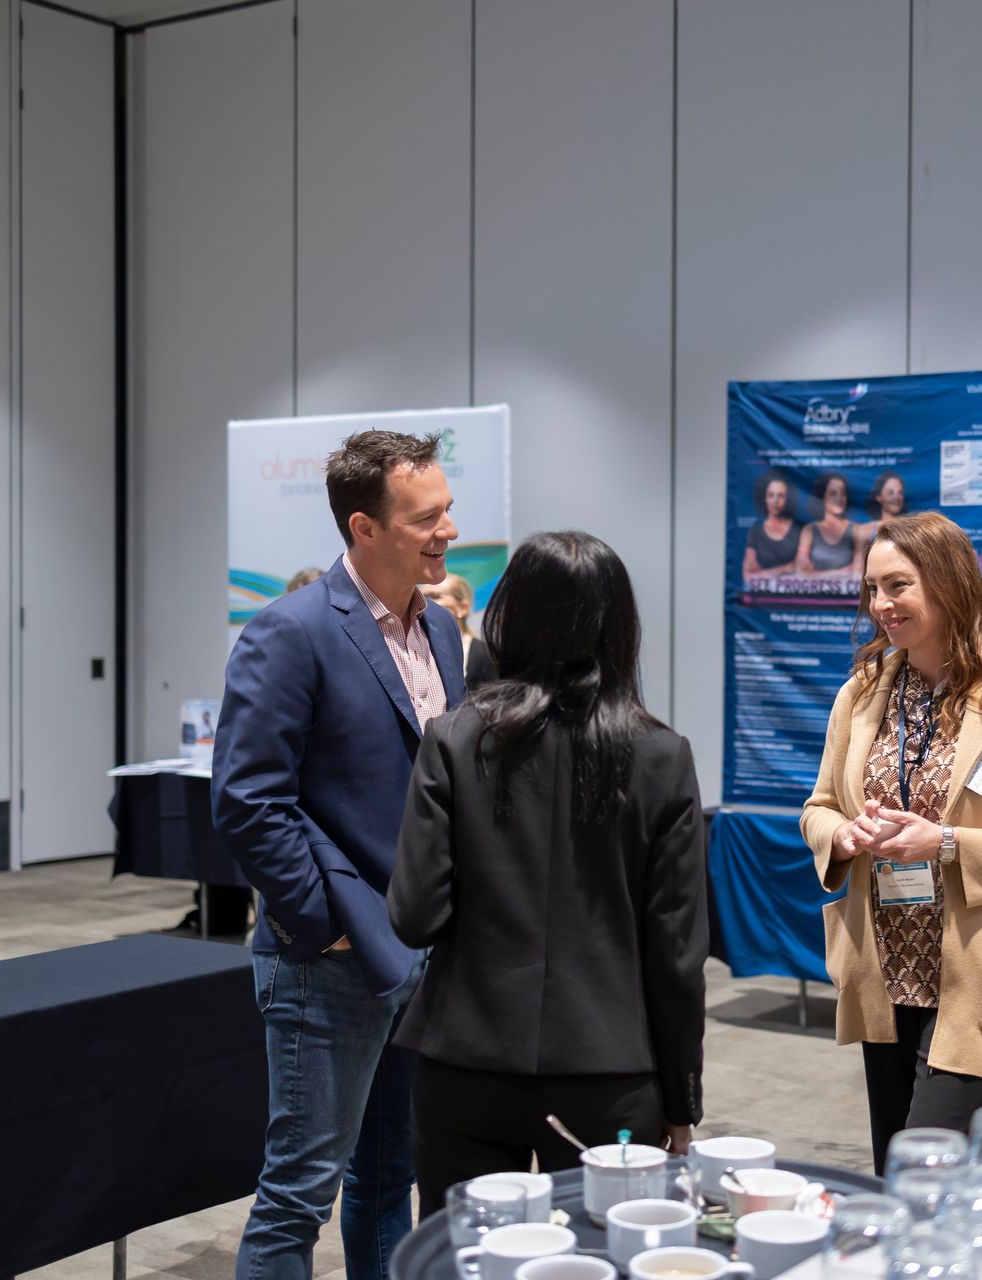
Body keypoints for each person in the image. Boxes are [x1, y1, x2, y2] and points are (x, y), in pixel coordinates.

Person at [213, 430, 467, 1280]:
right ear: (365, 527)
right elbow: (248, 801)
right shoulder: (290, 631)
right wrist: (326, 927)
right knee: (298, 1194)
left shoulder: (442, 635)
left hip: (419, 953)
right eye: (426, 518)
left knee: (390, 1175)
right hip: (330, 962)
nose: (447, 531)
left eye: (448, 511)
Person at [389, 531, 706, 1210]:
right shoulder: (663, 757)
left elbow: (414, 916)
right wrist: (682, 1098)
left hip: (464, 1056)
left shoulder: (451, 740)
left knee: (464, 1260)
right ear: (620, 625)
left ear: (509, 617)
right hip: (612, 1067)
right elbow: (676, 955)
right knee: (603, 1253)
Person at [799, 512, 982, 1170]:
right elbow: (817, 807)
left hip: (977, 980)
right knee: (891, 1169)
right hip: (886, 973)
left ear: (948, 582)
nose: (881, 605)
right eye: (872, 589)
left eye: (897, 586)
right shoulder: (862, 695)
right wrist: (842, 836)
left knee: (924, 1176)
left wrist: (950, 842)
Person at [420, 572, 495, 687]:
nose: (424, 603)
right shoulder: (411, 650)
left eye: (434, 596)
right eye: (421, 597)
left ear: (462, 607)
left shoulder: (485, 654)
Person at [794, 471, 863, 578]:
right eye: (833, 493)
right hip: (814, 594)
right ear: (822, 498)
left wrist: (816, 575)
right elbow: (801, 573)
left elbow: (858, 573)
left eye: (842, 493)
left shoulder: (856, 529)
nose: (839, 498)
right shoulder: (809, 530)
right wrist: (841, 572)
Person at [743, 469, 801, 580]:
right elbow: (748, 576)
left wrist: (763, 573)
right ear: (764, 498)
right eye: (771, 495)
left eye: (781, 496)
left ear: (788, 499)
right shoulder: (756, 532)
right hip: (763, 596)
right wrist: (786, 568)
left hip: (795, 595)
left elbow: (802, 570)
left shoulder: (800, 530)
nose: (775, 501)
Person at [857, 470, 908, 541]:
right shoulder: (865, 531)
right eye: (890, 493)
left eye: (900, 493)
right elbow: (859, 552)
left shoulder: (910, 529)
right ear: (878, 497)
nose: (896, 497)